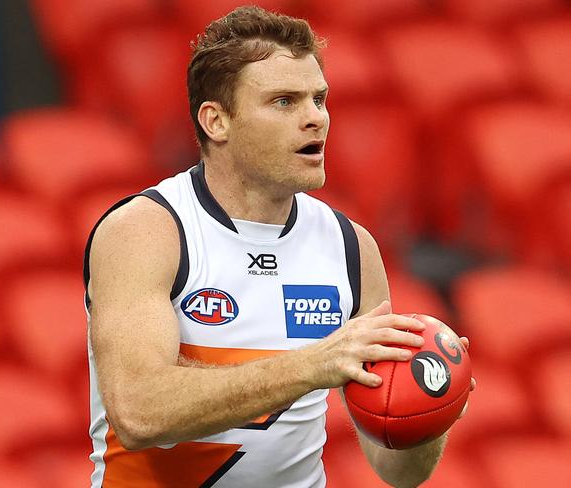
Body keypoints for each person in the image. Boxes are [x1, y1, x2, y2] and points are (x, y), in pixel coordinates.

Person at [84, 6, 473, 487]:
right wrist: (314, 364)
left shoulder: (351, 246)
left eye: (319, 98)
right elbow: (140, 413)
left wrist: (432, 408)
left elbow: (397, 470)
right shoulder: (149, 230)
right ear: (216, 121)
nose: (316, 119)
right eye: (285, 102)